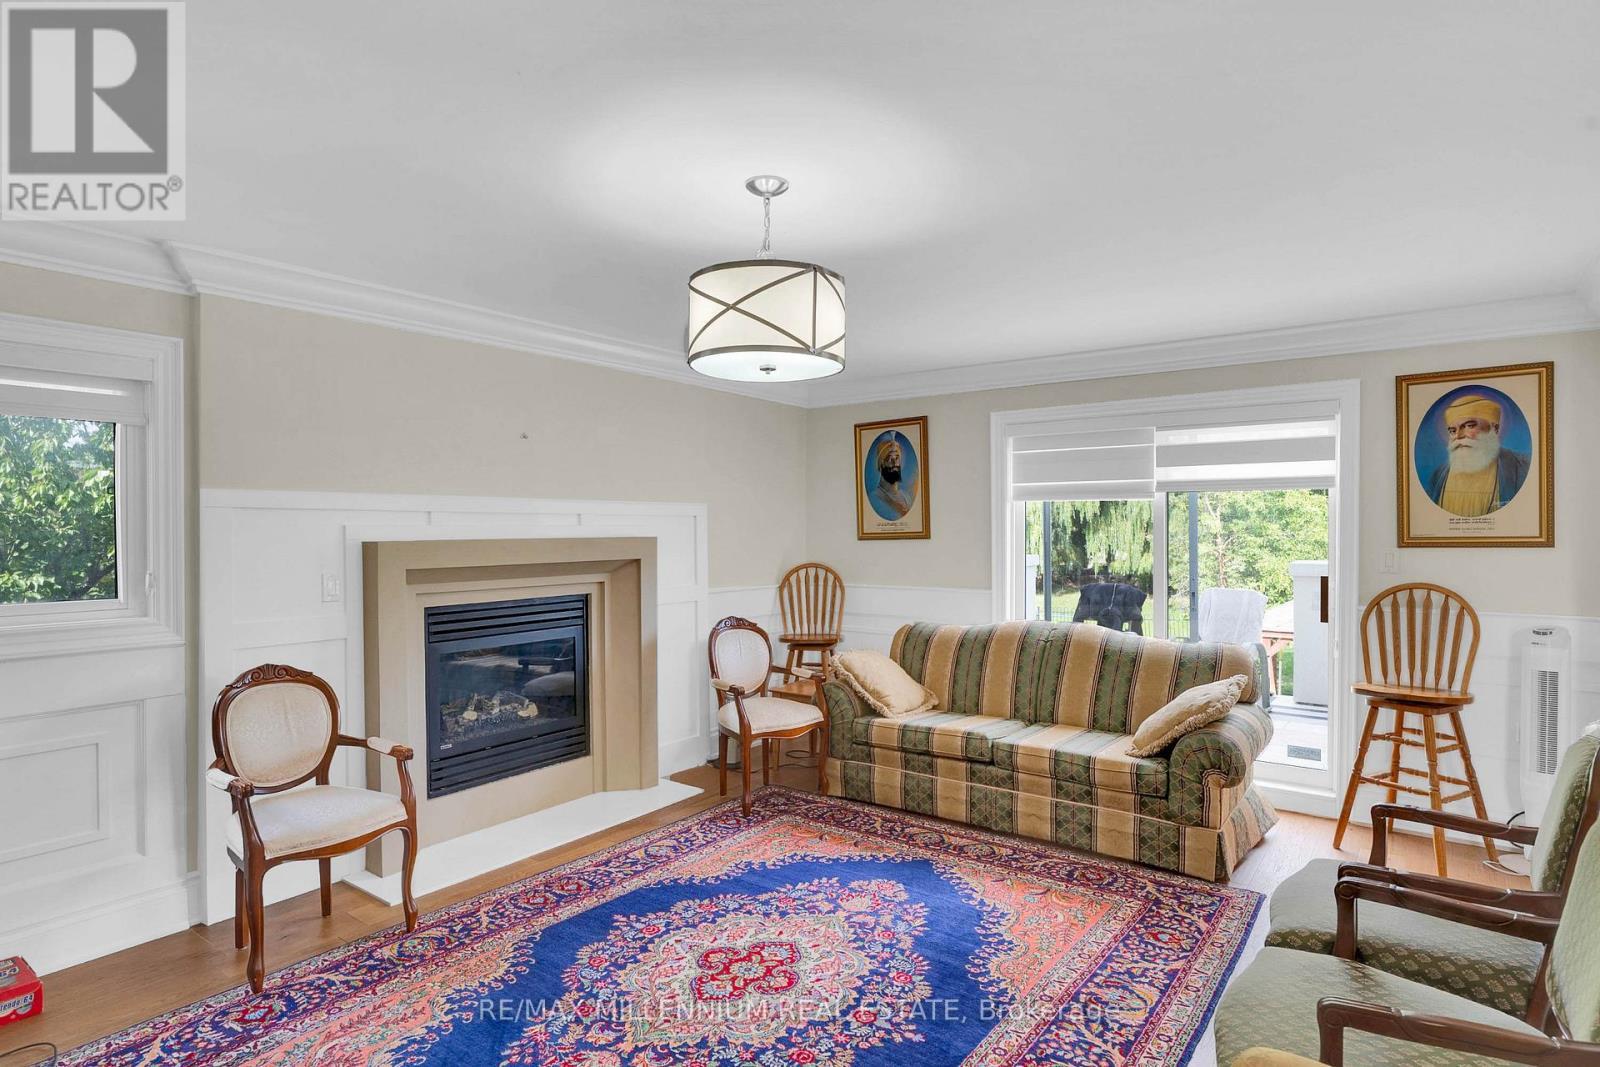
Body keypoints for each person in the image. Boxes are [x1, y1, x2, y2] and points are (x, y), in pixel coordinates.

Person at [1425, 394, 1530, 516]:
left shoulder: (1522, 467)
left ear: (1495, 428)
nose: (1458, 436)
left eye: (1469, 426)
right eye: (1453, 431)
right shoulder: (1437, 476)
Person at [867, 435, 913, 520]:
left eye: (897, 458)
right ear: (881, 464)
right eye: (889, 457)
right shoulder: (874, 498)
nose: (894, 462)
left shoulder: (906, 497)